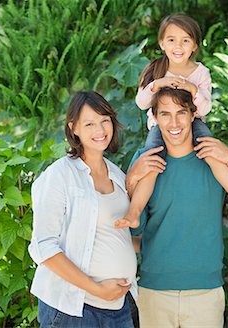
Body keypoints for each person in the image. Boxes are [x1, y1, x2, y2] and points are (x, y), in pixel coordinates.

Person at [127, 87, 228, 327]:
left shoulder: (213, 159)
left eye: (181, 113)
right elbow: (131, 230)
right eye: (165, 114)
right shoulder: (145, 159)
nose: (174, 122)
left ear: (193, 115)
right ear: (155, 118)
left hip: (206, 292)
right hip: (155, 291)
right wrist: (131, 179)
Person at [114, 14, 228, 229]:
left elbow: (205, 108)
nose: (178, 46)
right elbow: (142, 103)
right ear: (162, 43)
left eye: (185, 40)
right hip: (159, 126)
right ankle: (134, 212)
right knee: (151, 162)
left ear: (195, 46)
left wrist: (193, 90)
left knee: (211, 152)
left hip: (194, 123)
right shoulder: (156, 70)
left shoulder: (200, 72)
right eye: (171, 40)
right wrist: (157, 84)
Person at [28, 91, 138, 327]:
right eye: (89, 124)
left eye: (104, 121)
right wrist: (97, 289)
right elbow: (43, 246)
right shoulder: (59, 175)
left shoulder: (117, 175)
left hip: (117, 307)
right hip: (73, 309)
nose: (100, 130)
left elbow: (112, 235)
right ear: (73, 128)